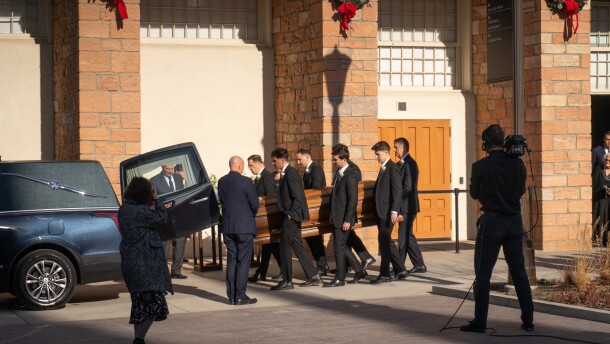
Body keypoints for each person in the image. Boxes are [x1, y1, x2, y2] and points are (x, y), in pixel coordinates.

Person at [461, 124, 534, 333]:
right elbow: (521, 190)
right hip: (513, 222)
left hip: (491, 223)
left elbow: (474, 194)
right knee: (519, 271)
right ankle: (528, 320)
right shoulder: (518, 165)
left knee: (483, 274)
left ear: (485, 142)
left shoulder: (480, 166)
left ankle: (480, 322)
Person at [118, 177, 172, 344]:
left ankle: (138, 338)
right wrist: (158, 201)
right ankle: (139, 340)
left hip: (132, 263)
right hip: (145, 264)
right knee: (154, 303)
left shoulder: (125, 209)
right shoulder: (141, 212)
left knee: (140, 304)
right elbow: (162, 219)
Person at [270, 148, 321, 290]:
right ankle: (313, 275)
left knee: (284, 246)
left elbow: (297, 196)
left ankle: (287, 281)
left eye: (274, 161)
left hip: (292, 216)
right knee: (296, 244)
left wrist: (291, 214)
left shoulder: (290, 173)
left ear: (282, 159)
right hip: (291, 214)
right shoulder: (286, 173)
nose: (273, 164)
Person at [218, 156, 259, 305]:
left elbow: (222, 200)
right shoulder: (246, 182)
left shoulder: (222, 182)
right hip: (244, 226)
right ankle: (240, 295)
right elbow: (254, 204)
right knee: (243, 261)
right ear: (240, 166)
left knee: (232, 261)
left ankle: (232, 296)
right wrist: (249, 216)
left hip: (228, 227)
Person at [324, 144, 368, 287]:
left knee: (338, 248)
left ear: (344, 159)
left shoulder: (350, 175)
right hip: (337, 216)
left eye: (335, 159)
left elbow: (352, 199)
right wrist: (331, 212)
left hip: (344, 218)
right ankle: (359, 270)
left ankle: (340, 278)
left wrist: (348, 219)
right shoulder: (339, 172)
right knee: (342, 247)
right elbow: (335, 195)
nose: (333, 162)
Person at [370, 141, 407, 283]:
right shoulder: (384, 167)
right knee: (387, 242)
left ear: (386, 153)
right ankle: (400, 269)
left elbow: (397, 191)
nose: (376, 157)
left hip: (387, 212)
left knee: (384, 244)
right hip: (381, 211)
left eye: (378, 154)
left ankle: (385, 274)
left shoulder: (392, 167)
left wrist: (394, 211)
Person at [246, 154, 283, 282]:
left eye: (251, 165)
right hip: (263, 218)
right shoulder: (260, 177)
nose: (250, 168)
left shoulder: (267, 177)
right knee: (269, 246)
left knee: (270, 245)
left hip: (267, 217)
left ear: (257, 164)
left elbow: (271, 197)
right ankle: (263, 272)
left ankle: (262, 273)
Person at [393, 138, 426, 274]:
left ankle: (399, 267)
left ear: (403, 148)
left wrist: (395, 199)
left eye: (396, 147)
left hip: (407, 206)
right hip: (403, 207)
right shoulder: (399, 164)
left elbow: (408, 187)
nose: (394, 150)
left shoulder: (410, 164)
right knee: (408, 235)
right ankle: (419, 265)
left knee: (403, 237)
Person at [150, 164, 188, 279]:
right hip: (164, 217)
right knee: (164, 246)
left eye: (172, 169)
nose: (171, 171)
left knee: (180, 244)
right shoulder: (154, 180)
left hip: (178, 217)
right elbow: (152, 200)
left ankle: (176, 271)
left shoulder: (178, 178)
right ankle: (162, 272)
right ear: (162, 167)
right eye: (168, 169)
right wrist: (162, 205)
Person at [296, 148, 329, 276]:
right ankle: (321, 265)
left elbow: (316, 190)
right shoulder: (308, 171)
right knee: (311, 239)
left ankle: (322, 266)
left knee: (315, 239)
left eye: (300, 159)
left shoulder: (316, 169)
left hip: (315, 210)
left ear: (307, 157)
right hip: (309, 210)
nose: (298, 162)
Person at [592, 131, 610, 242]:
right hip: (600, 184)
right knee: (601, 211)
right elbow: (592, 169)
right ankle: (599, 235)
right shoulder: (596, 150)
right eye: (608, 139)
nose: (609, 142)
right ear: (604, 139)